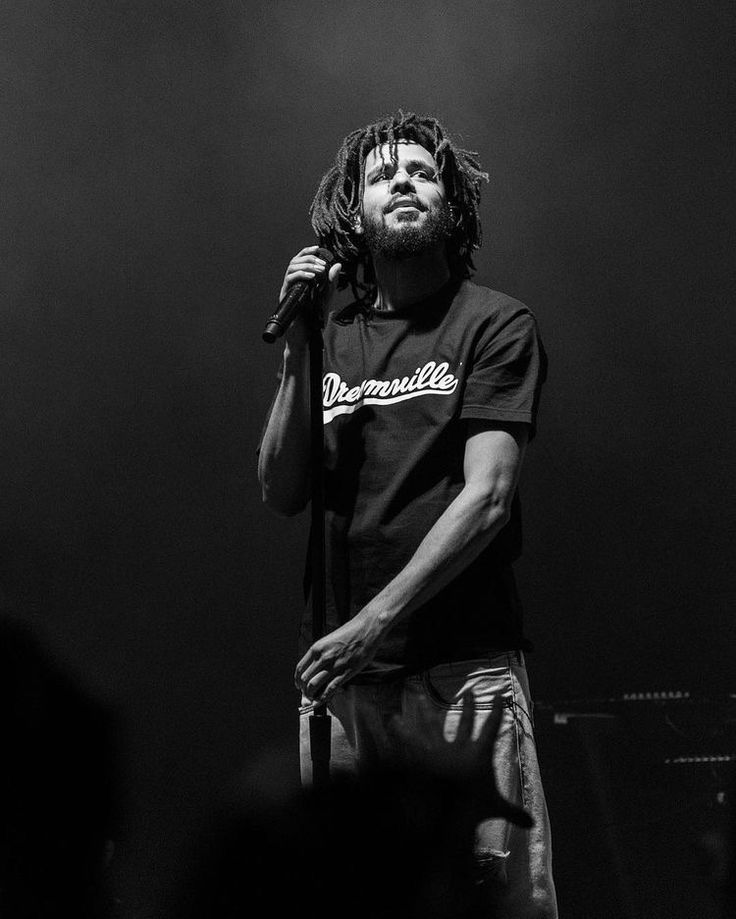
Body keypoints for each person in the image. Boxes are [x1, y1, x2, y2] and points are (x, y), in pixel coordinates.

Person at [258, 110, 558, 918]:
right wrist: (300, 347)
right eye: (383, 174)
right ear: (351, 212)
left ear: (450, 207)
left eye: (423, 173)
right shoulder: (331, 336)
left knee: (492, 902)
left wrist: (373, 622)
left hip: (462, 672)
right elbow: (281, 489)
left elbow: (488, 495)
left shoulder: (492, 322)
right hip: (347, 687)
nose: (403, 181)